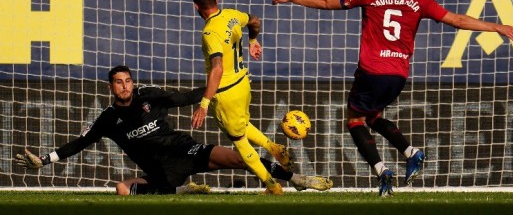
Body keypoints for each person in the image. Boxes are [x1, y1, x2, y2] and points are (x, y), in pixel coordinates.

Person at [271, 0, 513, 196]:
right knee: (373, 117)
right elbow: (456, 19)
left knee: (355, 120)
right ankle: (411, 152)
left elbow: (327, 3)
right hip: (398, 75)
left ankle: (382, 170)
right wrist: (496, 26)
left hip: (372, 71)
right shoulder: (420, 1)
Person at [15, 65, 333, 195]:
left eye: (127, 80)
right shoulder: (108, 119)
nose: (124, 86)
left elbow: (183, 98)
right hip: (161, 172)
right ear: (111, 86)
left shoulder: (148, 96)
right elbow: (79, 144)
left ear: (132, 83)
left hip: (185, 149)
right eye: (118, 82)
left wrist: (211, 91)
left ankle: (297, 179)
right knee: (121, 189)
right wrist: (44, 160)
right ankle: (180, 188)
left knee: (238, 157)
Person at [191, 0, 297, 195]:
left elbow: (218, 68)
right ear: (217, 0)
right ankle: (274, 148)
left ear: (196, 6)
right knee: (241, 124)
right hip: (243, 84)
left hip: (226, 93)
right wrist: (253, 40)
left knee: (239, 141)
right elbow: (255, 21)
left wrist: (203, 103)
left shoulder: (210, 33)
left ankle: (272, 186)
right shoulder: (232, 15)